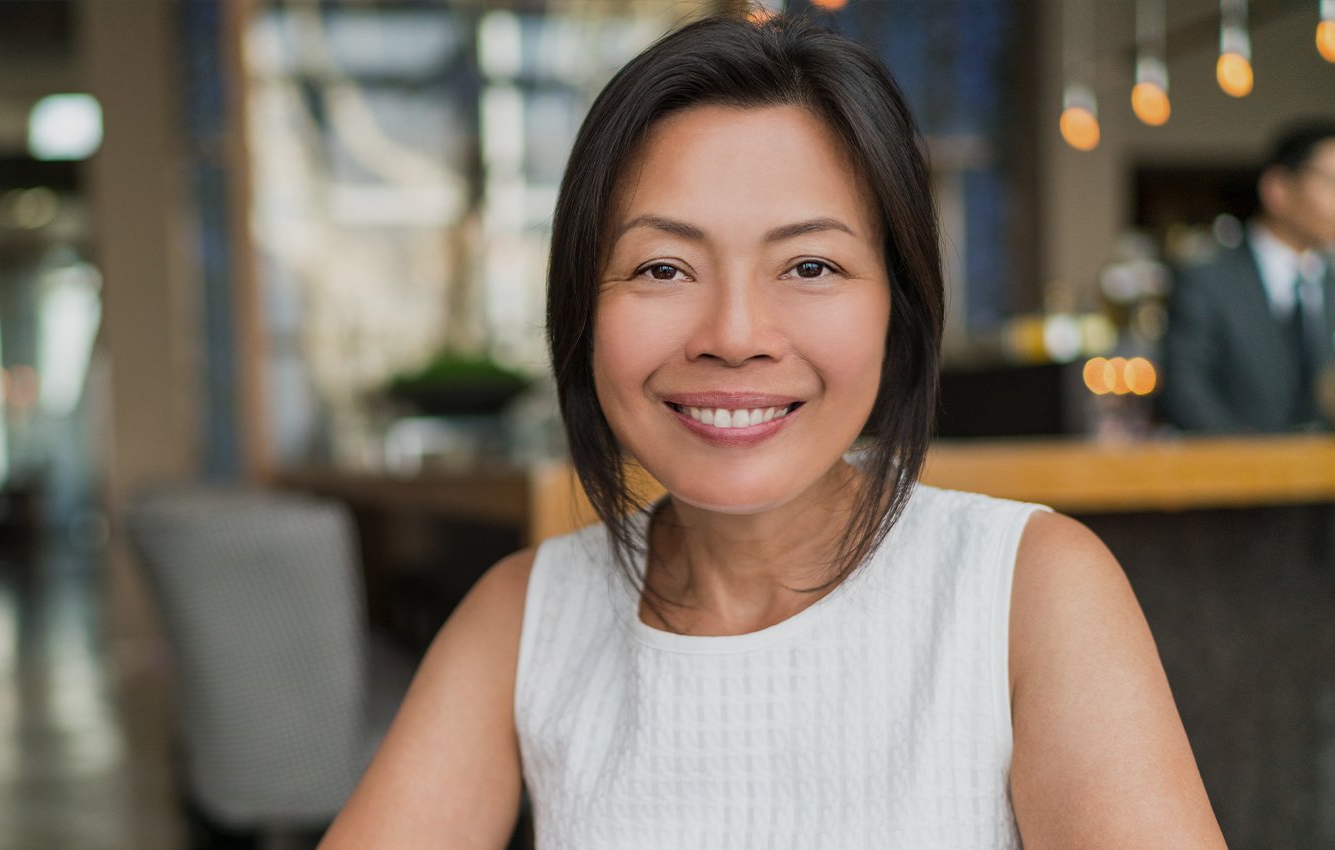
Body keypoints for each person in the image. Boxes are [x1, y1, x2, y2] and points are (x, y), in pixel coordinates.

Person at [321, 14, 1226, 850]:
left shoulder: (1029, 590)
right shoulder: (526, 615)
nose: (736, 336)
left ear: (897, 308)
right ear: (579, 313)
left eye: (809, 264)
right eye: (664, 266)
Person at [1163, 122, 1335, 433]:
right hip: (1237, 471)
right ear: (1277, 189)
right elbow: (1185, 393)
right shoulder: (1207, 280)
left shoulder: (1330, 280)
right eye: (1332, 182)